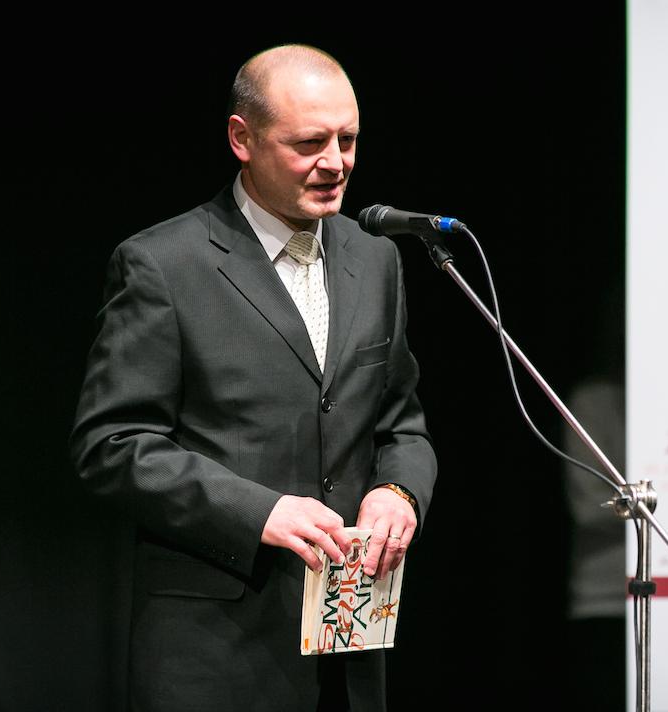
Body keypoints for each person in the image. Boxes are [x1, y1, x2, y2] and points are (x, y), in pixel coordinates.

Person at [69, 44, 437, 712]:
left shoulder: (376, 259)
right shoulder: (163, 265)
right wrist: (261, 511)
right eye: (309, 143)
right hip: (215, 653)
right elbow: (111, 445)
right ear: (242, 139)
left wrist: (398, 492)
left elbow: (400, 423)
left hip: (350, 651)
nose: (336, 162)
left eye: (348, 140)